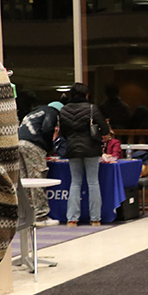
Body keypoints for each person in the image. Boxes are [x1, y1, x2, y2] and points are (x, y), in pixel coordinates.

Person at [59, 83, 109, 227]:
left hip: (73, 148)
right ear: (86, 95)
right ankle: (95, 219)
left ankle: (72, 219)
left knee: (75, 183)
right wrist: (103, 137)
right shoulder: (92, 108)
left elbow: (63, 132)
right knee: (93, 182)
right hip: (91, 148)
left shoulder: (64, 110)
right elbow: (104, 128)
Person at [18, 100, 63, 227]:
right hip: (33, 145)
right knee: (37, 179)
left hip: (20, 143)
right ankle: (41, 216)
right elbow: (47, 129)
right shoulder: (52, 112)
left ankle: (28, 215)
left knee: (25, 181)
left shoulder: (35, 112)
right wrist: (49, 148)